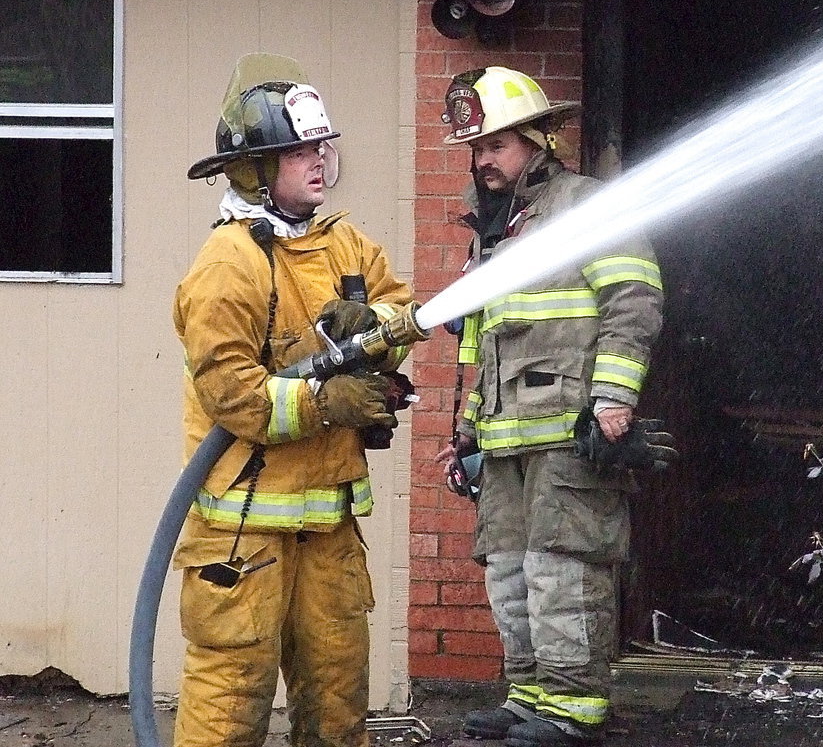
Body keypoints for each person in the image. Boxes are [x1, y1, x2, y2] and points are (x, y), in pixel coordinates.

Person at [172, 53, 425, 747]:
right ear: (254, 169)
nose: (320, 160)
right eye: (299, 150)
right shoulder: (228, 263)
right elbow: (234, 397)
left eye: (321, 146)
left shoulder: (343, 242)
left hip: (331, 527)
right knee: (229, 708)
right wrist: (326, 399)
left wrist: (374, 334)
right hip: (242, 529)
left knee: (338, 703)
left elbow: (399, 312)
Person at [436, 67, 665, 747]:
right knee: (510, 570)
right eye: (476, 150)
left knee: (564, 567)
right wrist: (469, 429)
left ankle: (573, 708)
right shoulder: (496, 230)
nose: (484, 162)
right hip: (506, 441)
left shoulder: (583, 205)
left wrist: (614, 397)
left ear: (537, 141)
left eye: (496, 146)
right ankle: (530, 693)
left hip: (569, 431)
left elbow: (636, 295)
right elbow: (488, 339)